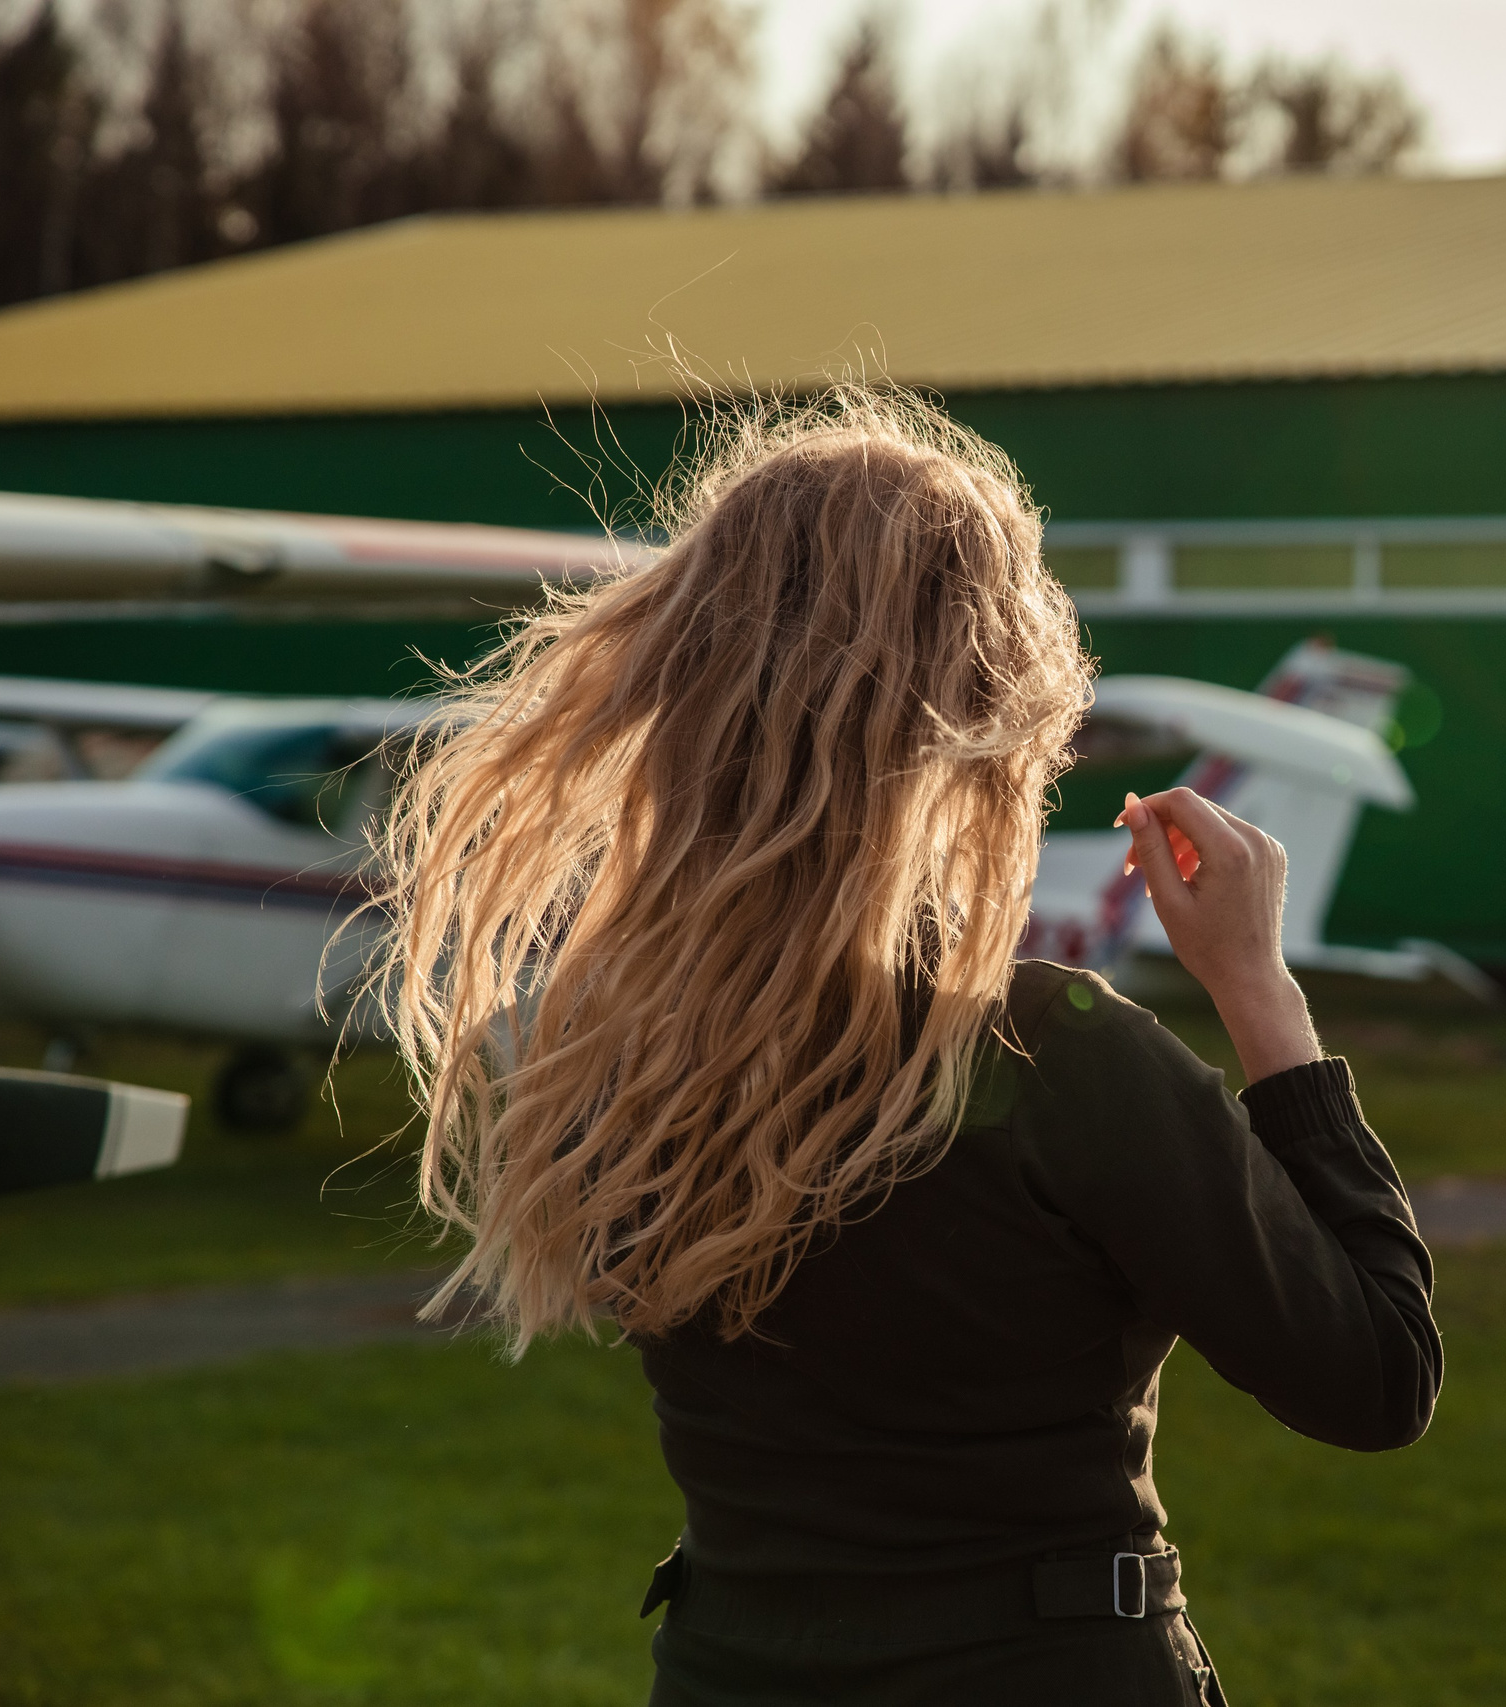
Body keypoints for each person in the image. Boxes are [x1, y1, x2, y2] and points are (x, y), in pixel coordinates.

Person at [376, 389, 1441, 1705]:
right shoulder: (1063, 1059)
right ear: (989, 710)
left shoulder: (612, 1056)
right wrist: (1258, 990)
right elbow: (1377, 1379)